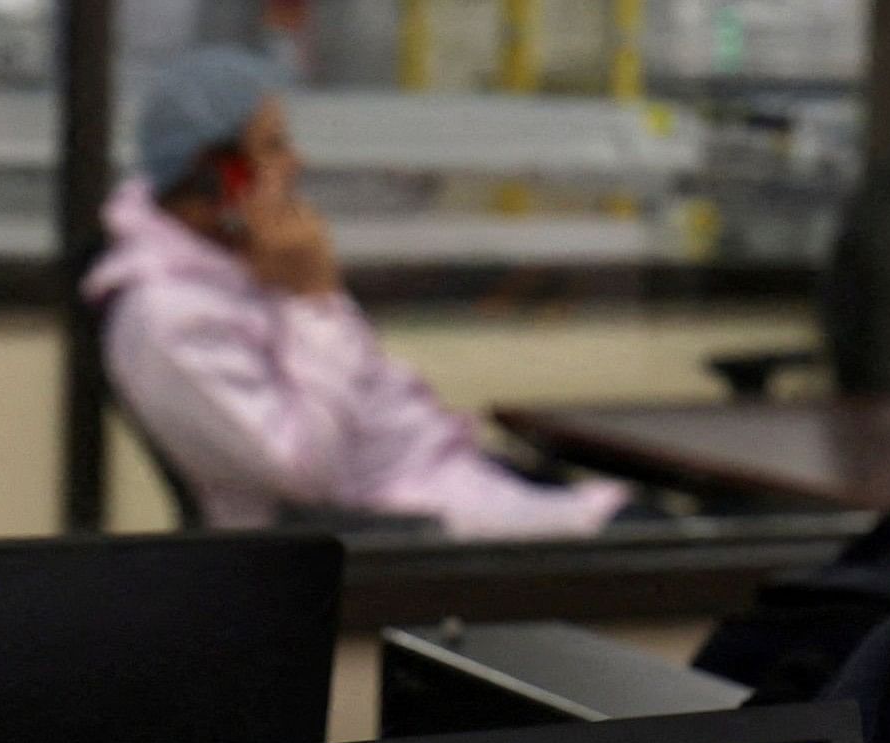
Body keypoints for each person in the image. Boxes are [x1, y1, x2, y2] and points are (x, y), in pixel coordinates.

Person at [84, 45, 634, 538]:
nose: (296, 163)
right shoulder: (166, 319)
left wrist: (308, 292)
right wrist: (313, 299)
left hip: (445, 482)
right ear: (213, 174)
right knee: (682, 546)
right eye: (273, 146)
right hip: (400, 532)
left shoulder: (241, 261)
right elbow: (305, 469)